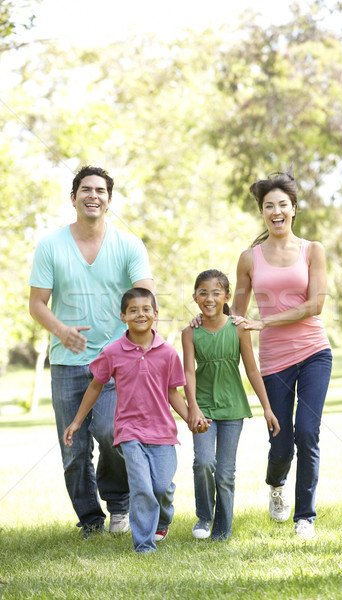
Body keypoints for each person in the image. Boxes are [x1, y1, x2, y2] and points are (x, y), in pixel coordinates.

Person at [29, 165, 155, 538]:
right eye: (86, 189)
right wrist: (62, 331)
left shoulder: (129, 245)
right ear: (73, 198)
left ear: (109, 200)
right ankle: (90, 519)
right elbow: (37, 304)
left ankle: (119, 507)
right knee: (74, 449)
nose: (93, 195)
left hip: (115, 362)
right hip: (67, 363)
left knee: (113, 433)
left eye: (101, 190)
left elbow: (145, 298)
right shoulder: (51, 245)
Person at [63, 287, 209, 553]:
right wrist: (76, 421)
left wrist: (190, 418)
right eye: (133, 310)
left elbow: (172, 393)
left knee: (161, 487)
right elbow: (96, 386)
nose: (140, 314)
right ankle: (144, 545)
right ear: (123, 316)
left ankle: (162, 519)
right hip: (129, 431)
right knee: (142, 487)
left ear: (155, 313)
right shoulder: (113, 351)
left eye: (145, 309)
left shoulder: (167, 352)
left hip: (163, 432)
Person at [232, 166, 332, 539]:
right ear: (262, 211)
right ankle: (276, 484)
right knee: (281, 440)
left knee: (307, 432)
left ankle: (304, 515)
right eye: (269, 205)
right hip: (273, 361)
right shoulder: (249, 258)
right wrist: (204, 317)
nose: (276, 211)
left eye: (283, 204)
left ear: (293, 209)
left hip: (313, 352)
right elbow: (236, 316)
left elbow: (315, 305)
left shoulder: (313, 250)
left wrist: (266, 322)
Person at [182, 269, 280, 542]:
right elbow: (188, 372)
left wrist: (267, 408)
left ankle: (222, 531)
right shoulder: (190, 332)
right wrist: (192, 407)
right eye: (203, 292)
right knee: (203, 463)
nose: (209, 298)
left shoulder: (238, 328)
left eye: (216, 293)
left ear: (226, 296)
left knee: (225, 472)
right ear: (195, 297)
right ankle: (204, 516)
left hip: (233, 408)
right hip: (203, 407)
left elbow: (251, 368)